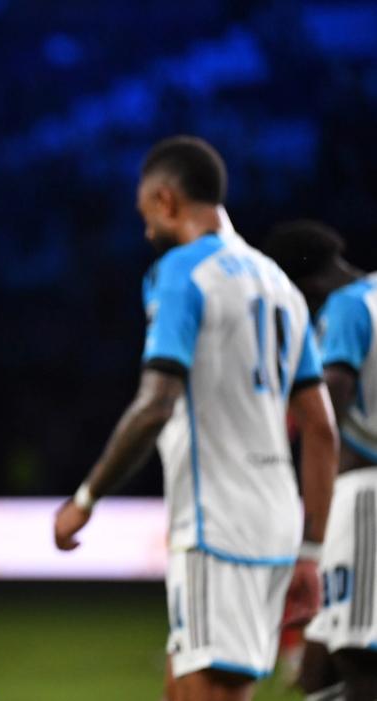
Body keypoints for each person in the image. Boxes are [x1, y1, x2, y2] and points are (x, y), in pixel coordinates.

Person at [52, 136, 338, 701]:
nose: (146, 232)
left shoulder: (183, 272)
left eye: (145, 215)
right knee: (182, 687)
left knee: (211, 690)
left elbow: (155, 404)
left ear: (165, 199)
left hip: (218, 522)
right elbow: (321, 427)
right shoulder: (280, 284)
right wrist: (311, 548)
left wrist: (85, 499)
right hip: (275, 517)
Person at [264, 220, 377, 701]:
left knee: (356, 661)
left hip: (365, 496)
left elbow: (330, 402)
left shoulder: (346, 307)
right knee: (320, 668)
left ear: (302, 287)